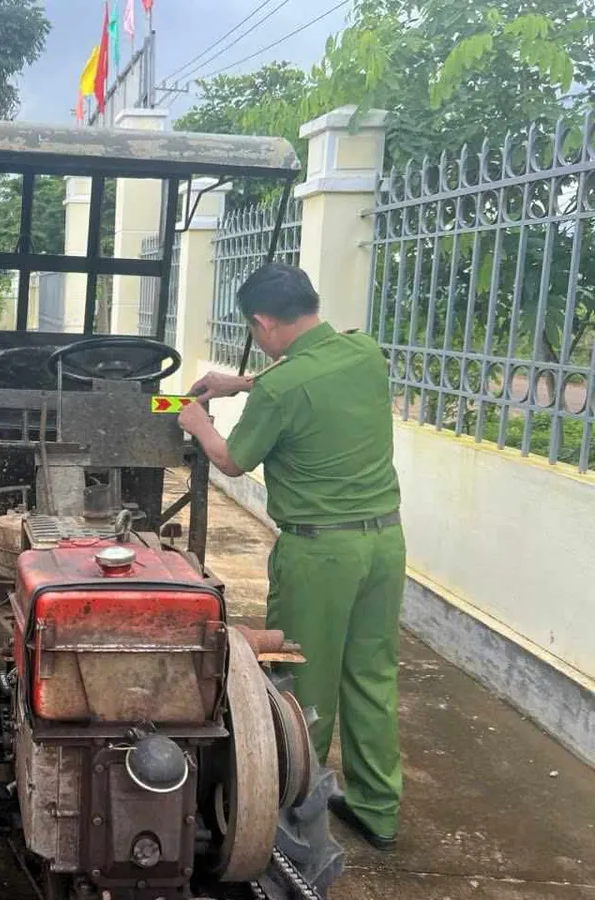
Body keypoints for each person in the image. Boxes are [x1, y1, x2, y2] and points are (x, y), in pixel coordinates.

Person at [178, 263, 405, 851]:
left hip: (319, 552)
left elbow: (232, 459)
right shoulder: (364, 352)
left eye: (254, 334)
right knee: (372, 673)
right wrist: (244, 383)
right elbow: (312, 378)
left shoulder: (281, 388)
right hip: (383, 543)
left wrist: (198, 420)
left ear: (262, 322)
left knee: (302, 680)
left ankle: (291, 814)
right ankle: (378, 809)